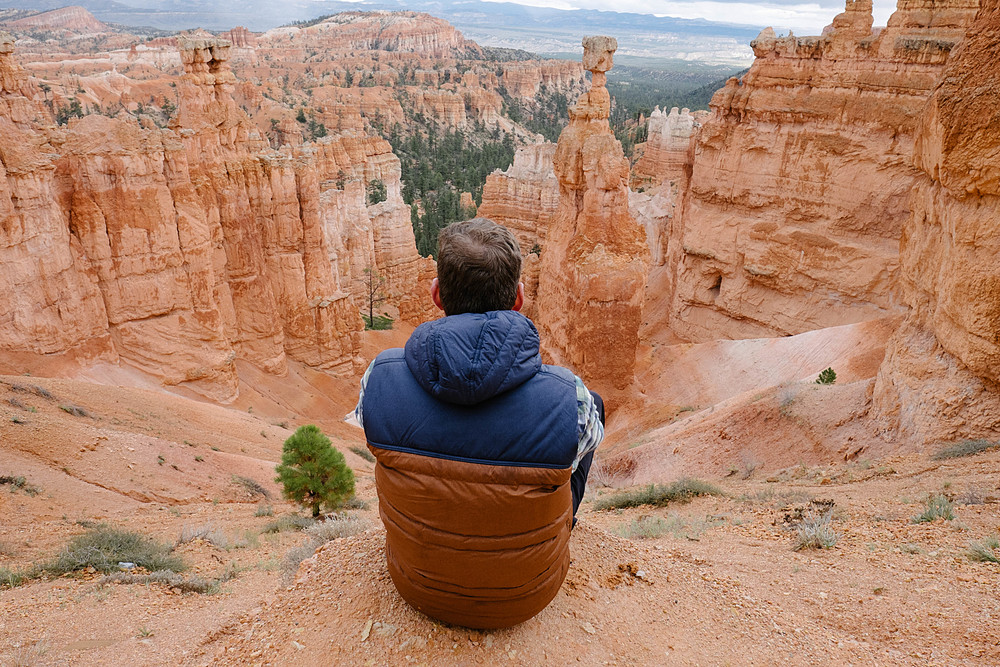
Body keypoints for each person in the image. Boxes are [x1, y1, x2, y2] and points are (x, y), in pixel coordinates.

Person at [353, 217, 604, 629]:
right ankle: (561, 525)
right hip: (528, 596)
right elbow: (581, 442)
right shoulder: (567, 395)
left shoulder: (378, 378)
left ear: (437, 294)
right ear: (519, 298)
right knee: (586, 415)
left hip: (415, 585)